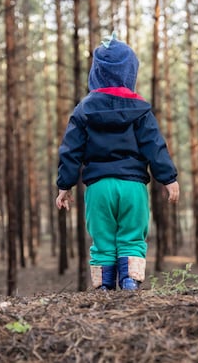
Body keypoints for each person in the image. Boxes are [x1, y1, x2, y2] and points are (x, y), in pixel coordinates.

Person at [55, 33, 180, 291]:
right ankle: (129, 281)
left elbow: (71, 149)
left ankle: (103, 288)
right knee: (132, 237)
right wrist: (168, 178)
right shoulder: (140, 109)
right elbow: (154, 145)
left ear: (96, 73)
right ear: (130, 72)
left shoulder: (83, 110)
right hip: (132, 187)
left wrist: (64, 184)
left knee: (102, 241)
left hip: (98, 187)